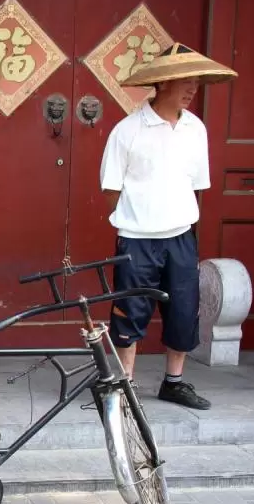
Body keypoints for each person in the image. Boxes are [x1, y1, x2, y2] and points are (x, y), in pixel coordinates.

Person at [99, 43, 237, 410]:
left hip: (180, 237)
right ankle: (125, 383)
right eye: (183, 81)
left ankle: (173, 381)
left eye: (195, 81)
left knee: (182, 309)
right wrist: (141, 216)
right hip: (137, 239)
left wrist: (174, 218)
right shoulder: (127, 131)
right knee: (131, 311)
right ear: (160, 84)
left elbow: (196, 185)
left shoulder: (195, 129)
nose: (192, 88)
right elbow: (111, 189)